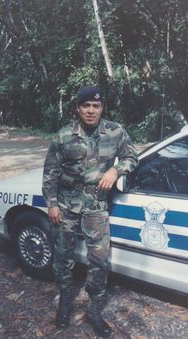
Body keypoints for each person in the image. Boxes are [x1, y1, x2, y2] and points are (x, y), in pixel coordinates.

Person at [42, 85, 138, 337]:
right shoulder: (63, 136)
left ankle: (95, 309)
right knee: (62, 256)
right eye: (86, 106)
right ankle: (64, 300)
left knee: (99, 259)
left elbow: (132, 157)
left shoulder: (116, 131)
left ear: (102, 108)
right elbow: (50, 173)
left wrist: (115, 170)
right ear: (78, 108)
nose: (91, 110)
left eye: (96, 106)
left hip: (96, 204)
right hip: (66, 205)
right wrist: (51, 203)